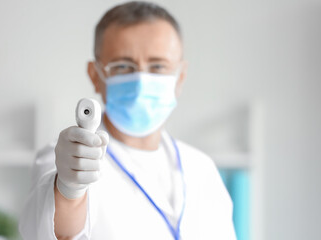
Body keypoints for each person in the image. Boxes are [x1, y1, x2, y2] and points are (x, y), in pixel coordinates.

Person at [19, 1, 236, 239]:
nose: (142, 80)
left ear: (180, 77)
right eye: (123, 66)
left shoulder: (202, 169)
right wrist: (69, 190)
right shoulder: (69, 159)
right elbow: (53, 231)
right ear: (95, 75)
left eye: (157, 66)